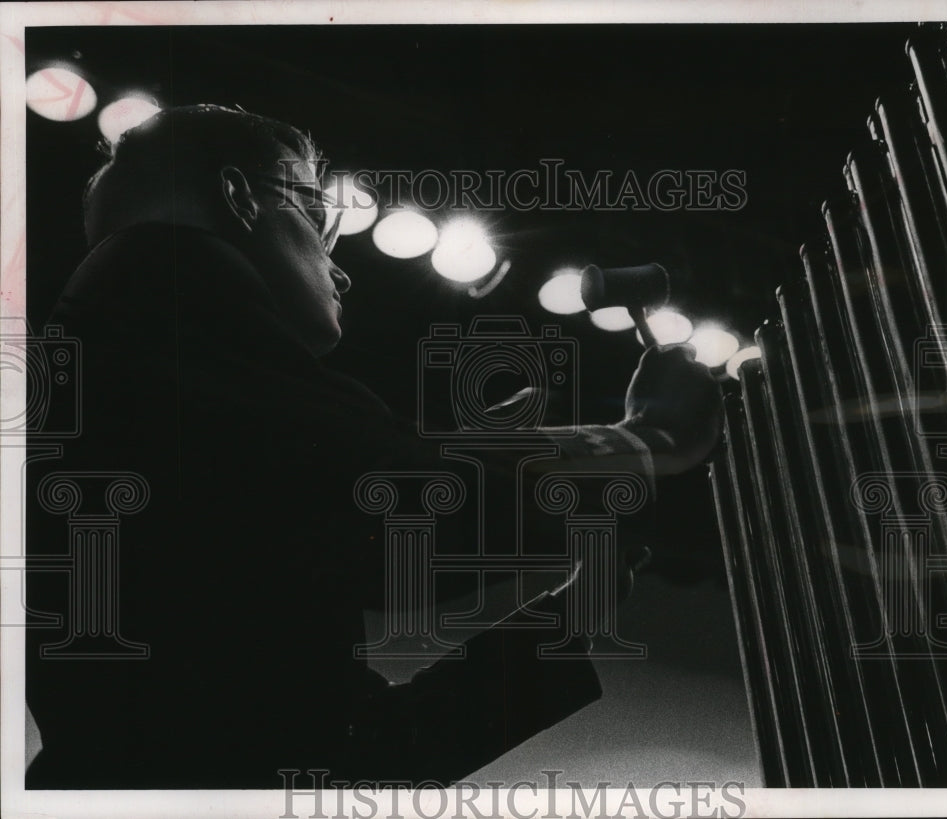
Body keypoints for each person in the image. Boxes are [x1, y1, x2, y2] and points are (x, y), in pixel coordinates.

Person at [25, 105, 723, 789]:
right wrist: (645, 438)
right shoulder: (167, 316)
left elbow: (350, 757)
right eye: (317, 220)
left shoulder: (132, 363)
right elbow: (411, 511)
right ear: (237, 196)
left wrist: (561, 623)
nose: (341, 270)